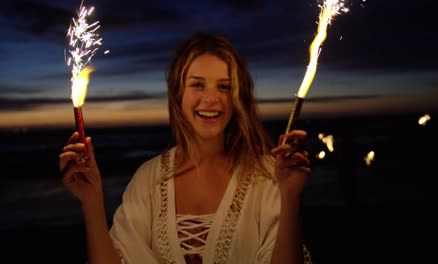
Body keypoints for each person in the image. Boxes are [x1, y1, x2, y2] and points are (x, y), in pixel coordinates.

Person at [59, 32, 312, 264]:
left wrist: (290, 196)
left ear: (237, 97)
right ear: (178, 93)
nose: (211, 99)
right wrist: (91, 199)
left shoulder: (267, 176)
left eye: (224, 86)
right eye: (197, 84)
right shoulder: (148, 181)